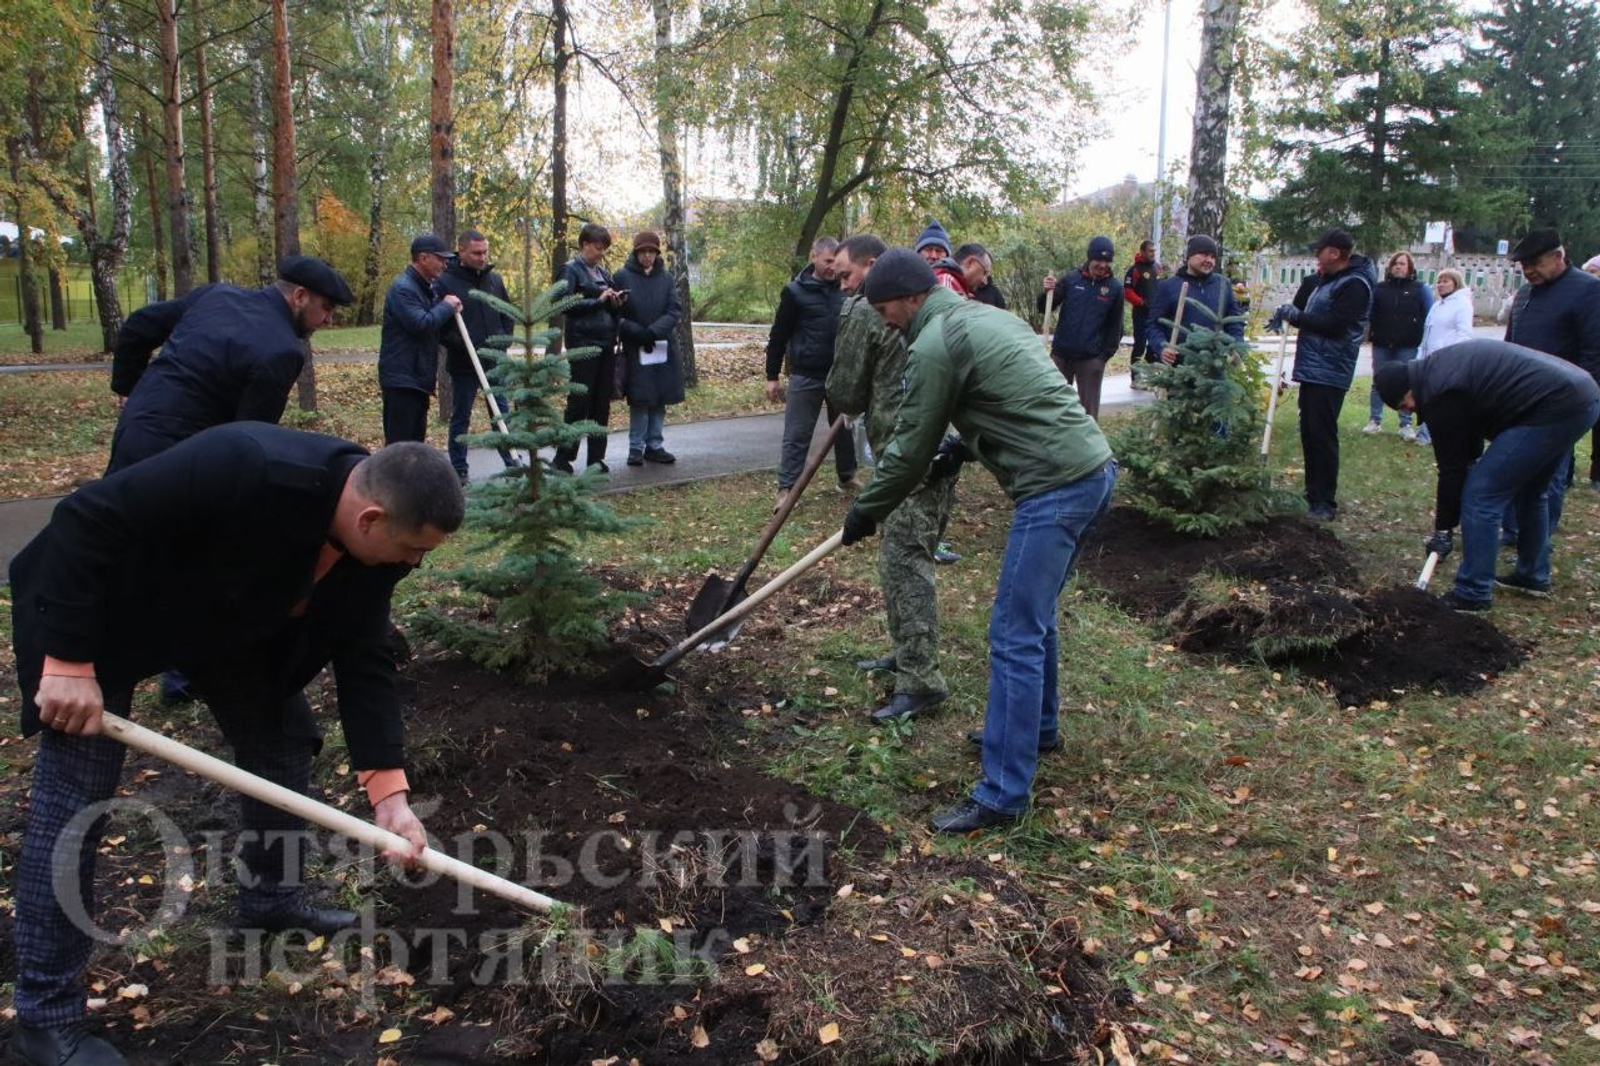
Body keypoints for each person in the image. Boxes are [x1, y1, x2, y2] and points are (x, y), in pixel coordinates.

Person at [8, 423, 463, 1066]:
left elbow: (365, 654)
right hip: (99, 613)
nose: (416, 563)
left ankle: (271, 901)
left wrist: (389, 795)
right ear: (371, 517)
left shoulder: (376, 551)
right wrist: (68, 660)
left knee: (282, 741)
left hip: (227, 619)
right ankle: (44, 1018)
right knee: (74, 800)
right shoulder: (248, 465)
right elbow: (87, 519)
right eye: (414, 549)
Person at [843, 250, 1115, 834]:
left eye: (886, 308)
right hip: (1092, 469)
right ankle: (1036, 732)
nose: (886, 320)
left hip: (1056, 487)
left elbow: (909, 447)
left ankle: (1002, 794)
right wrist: (962, 445)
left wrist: (866, 510)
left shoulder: (934, 343)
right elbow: (1015, 397)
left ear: (911, 297)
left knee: (1014, 633)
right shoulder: (988, 318)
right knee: (1035, 620)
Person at [826, 235, 959, 721]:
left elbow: (844, 393)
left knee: (904, 562)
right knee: (903, 557)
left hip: (906, 454)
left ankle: (920, 679)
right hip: (943, 449)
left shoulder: (864, 311)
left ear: (874, 266)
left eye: (846, 274)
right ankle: (907, 654)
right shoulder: (941, 306)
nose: (845, 286)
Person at [1373, 341, 1600, 611]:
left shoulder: (1440, 392)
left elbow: (1452, 469)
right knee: (1530, 491)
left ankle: (1473, 591)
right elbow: (1468, 448)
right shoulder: (1438, 374)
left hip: (1553, 406)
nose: (1408, 411)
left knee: (1482, 495)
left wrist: (1443, 530)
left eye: (1403, 404)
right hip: (1579, 396)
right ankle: (1532, 576)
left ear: (1408, 388)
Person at [108, 256, 354, 465]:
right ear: (299, 296)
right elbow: (248, 440)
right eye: (327, 308)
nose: (329, 320)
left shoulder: (216, 295)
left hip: (133, 429)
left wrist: (129, 388)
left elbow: (138, 325)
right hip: (181, 460)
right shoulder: (282, 350)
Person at [1271, 228, 1376, 521]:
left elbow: (1336, 325)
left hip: (1330, 370)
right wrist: (1290, 312)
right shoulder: (1329, 281)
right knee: (1310, 432)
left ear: (1335, 253)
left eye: (1320, 250)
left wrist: (1299, 316)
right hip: (1313, 368)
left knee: (1322, 434)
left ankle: (1325, 503)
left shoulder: (1355, 285)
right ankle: (1312, 494)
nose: (1316, 254)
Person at [1503, 227, 1600, 507]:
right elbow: (1511, 345)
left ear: (1558, 256)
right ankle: (1513, 528)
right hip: (1520, 396)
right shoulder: (1524, 295)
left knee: (1550, 474)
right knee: (1517, 467)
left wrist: (1578, 396)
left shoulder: (1589, 291)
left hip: (1561, 398)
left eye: (1535, 263)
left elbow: (1594, 351)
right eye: (1524, 265)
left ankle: (1538, 533)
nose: (1528, 271)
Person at [765, 236, 858, 502]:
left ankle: (847, 477)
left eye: (837, 262)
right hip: (806, 373)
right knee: (797, 432)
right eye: (829, 261)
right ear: (814, 258)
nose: (833, 267)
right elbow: (778, 335)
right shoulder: (794, 292)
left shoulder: (846, 288)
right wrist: (771, 376)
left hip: (840, 373)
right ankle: (787, 488)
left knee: (844, 429)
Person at [437, 228, 517, 483]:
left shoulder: (493, 280)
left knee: (500, 412)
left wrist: (503, 340)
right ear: (461, 251)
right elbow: (440, 327)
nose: (482, 258)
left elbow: (506, 312)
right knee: (462, 415)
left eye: (485, 252)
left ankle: (513, 462)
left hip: (494, 361)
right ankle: (459, 467)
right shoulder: (446, 282)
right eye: (476, 253)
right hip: (464, 362)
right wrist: (463, 345)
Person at [378, 233, 463, 445]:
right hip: (402, 380)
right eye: (440, 258)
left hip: (418, 380)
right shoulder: (403, 289)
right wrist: (446, 306)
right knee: (399, 448)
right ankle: (392, 480)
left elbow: (436, 329)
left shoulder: (426, 289)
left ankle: (408, 480)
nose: (445, 264)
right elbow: (421, 324)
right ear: (423, 258)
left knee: (415, 446)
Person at [554, 222, 625, 473]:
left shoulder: (604, 274)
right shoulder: (571, 271)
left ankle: (596, 459)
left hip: (606, 343)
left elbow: (610, 305)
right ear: (584, 244)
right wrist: (597, 301)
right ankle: (563, 458)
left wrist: (615, 302)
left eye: (605, 248)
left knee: (601, 403)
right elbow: (562, 304)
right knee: (579, 402)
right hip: (583, 344)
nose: (602, 252)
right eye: (598, 247)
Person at [614, 230, 685, 465]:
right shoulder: (622, 276)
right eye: (643, 252)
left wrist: (654, 332)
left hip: (661, 344)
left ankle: (655, 445)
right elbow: (616, 314)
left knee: (659, 397)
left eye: (651, 252)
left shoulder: (665, 278)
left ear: (656, 254)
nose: (647, 256)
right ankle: (636, 447)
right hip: (636, 347)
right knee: (640, 399)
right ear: (636, 253)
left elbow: (674, 309)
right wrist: (638, 332)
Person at [1037, 236, 1125, 419]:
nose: (1103, 265)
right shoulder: (1072, 279)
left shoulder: (1115, 289)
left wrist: (1102, 357)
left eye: (1107, 261)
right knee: (1055, 407)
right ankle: (1054, 444)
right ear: (1089, 258)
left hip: (1090, 360)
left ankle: (1087, 446)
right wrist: (1046, 292)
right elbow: (1044, 306)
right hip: (1061, 356)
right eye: (1098, 260)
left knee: (1088, 414)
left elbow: (1116, 328)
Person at [1362, 251, 1432, 440]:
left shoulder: (1420, 289)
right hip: (1382, 342)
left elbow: (1429, 314)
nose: (1398, 267)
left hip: (1408, 344)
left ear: (1409, 268)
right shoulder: (1380, 289)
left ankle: (1405, 424)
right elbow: (1370, 312)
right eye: (1395, 264)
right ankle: (1374, 420)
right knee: (1378, 381)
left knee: (1408, 384)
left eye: (1402, 264)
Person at [1147, 235, 1245, 363]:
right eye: (1204, 254)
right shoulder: (1168, 287)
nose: (1209, 260)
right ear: (1189, 256)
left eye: (1213, 257)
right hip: (1177, 370)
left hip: (1213, 368)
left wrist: (1236, 347)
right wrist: (1162, 348)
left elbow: (1235, 323)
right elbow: (1153, 325)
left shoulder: (1222, 285)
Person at [1122, 239, 1158, 369]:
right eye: (1150, 251)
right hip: (1140, 313)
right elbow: (1127, 291)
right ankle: (1136, 376)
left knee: (1154, 344)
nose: (1153, 253)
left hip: (1155, 313)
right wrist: (1141, 302)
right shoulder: (1135, 270)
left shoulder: (1157, 268)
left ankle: (1149, 374)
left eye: (1154, 251)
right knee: (1140, 344)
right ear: (1142, 252)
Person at [913, 220, 973, 296]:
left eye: (939, 251)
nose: (933, 256)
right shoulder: (908, 278)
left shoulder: (945, 281)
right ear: (918, 252)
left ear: (947, 256)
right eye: (928, 249)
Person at [956, 242, 1006, 308]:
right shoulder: (946, 284)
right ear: (970, 263)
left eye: (987, 275)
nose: (984, 281)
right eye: (984, 272)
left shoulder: (994, 293)